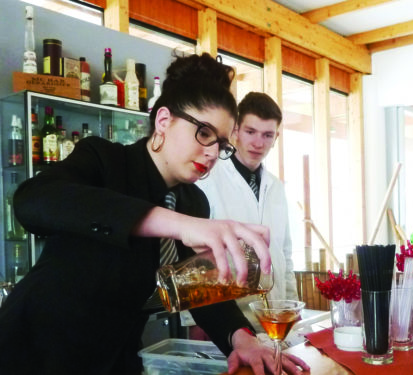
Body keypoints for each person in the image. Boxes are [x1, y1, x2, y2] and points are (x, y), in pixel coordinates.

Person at [0, 53, 308, 375]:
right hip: (34, 352)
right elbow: (32, 201)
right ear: (163, 121)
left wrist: (240, 338)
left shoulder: (192, 202)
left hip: (116, 357)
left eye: (221, 144)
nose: (213, 153)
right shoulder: (105, 160)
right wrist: (174, 224)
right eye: (204, 133)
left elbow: (197, 287)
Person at [197, 92, 298, 329]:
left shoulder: (276, 187)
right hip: (229, 321)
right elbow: (194, 259)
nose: (258, 143)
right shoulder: (207, 179)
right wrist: (195, 322)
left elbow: (285, 253)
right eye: (250, 132)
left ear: (276, 138)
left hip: (275, 317)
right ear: (235, 132)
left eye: (267, 135)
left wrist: (292, 306)